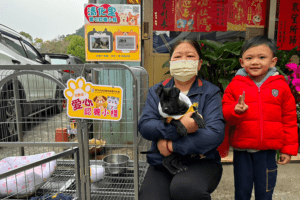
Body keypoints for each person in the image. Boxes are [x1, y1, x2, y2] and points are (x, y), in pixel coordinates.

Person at [138, 39, 225, 200]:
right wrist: (180, 127)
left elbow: (215, 134)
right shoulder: (157, 91)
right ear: (170, 63)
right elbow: (145, 126)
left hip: (200, 161)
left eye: (190, 56)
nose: (183, 60)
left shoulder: (210, 93)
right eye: (178, 56)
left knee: (185, 189)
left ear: (199, 64)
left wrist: (171, 145)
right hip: (162, 162)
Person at [222, 35, 299, 200]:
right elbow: (225, 112)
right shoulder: (235, 85)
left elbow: (289, 119)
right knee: (242, 191)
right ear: (242, 62)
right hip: (242, 150)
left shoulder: (281, 86)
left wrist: (288, 149)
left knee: (265, 192)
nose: (255, 62)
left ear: (273, 61)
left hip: (268, 152)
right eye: (249, 58)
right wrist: (235, 110)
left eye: (262, 57)